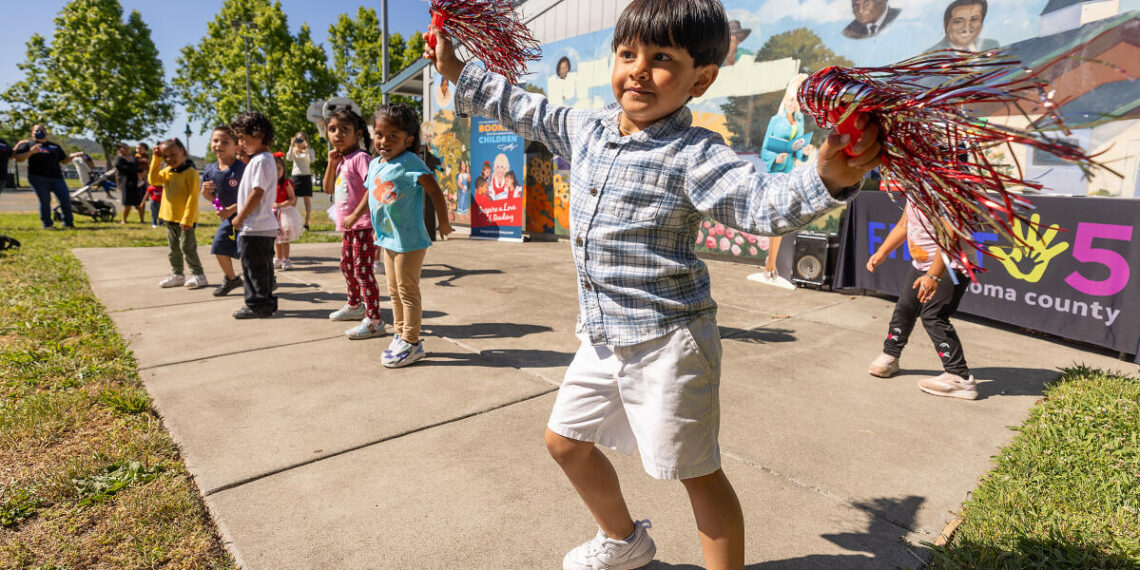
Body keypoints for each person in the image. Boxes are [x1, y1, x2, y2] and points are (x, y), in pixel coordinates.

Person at [426, 0, 882, 567]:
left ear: (703, 78)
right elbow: (526, 109)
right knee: (565, 443)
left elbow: (760, 201)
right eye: (627, 53)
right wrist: (456, 71)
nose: (638, 69)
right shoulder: (587, 128)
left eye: (661, 57)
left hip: (670, 343)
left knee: (696, 474)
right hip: (602, 336)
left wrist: (824, 177)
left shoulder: (696, 154)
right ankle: (625, 540)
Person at [341, 104, 453, 367]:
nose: (384, 141)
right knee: (393, 290)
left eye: (393, 136)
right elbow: (369, 191)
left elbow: (435, 191)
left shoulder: (410, 162)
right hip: (387, 238)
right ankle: (399, 333)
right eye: (380, 135)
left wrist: (444, 223)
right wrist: (356, 215)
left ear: (408, 140)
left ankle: (413, 342)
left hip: (410, 240)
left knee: (407, 290)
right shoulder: (377, 163)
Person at [866, 202, 977, 400]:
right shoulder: (915, 190)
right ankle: (891, 356)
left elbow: (949, 234)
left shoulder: (942, 190)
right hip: (922, 265)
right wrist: (882, 251)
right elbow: (904, 224)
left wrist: (934, 276)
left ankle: (959, 378)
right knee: (905, 308)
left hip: (951, 265)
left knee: (933, 316)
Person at [323, 107, 385, 339]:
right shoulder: (340, 160)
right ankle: (355, 305)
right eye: (332, 129)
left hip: (364, 225)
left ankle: (375, 320)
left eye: (344, 129)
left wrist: (357, 215)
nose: (337, 134)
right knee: (346, 266)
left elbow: (373, 188)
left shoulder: (361, 158)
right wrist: (331, 163)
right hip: (350, 227)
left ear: (358, 133)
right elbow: (328, 188)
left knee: (362, 270)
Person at [230, 112, 279, 319]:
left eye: (242, 138)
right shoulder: (263, 159)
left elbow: (257, 192)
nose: (240, 143)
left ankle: (258, 304)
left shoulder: (260, 161)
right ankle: (265, 300)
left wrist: (240, 216)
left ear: (258, 134)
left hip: (255, 226)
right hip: (263, 226)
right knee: (262, 267)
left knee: (253, 269)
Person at [148, 139, 207, 290]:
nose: (169, 159)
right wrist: (156, 159)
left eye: (173, 155)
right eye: (165, 156)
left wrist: (187, 219)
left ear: (184, 153)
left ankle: (199, 275)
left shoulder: (191, 173)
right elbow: (153, 180)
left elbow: (192, 198)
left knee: (187, 247)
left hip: (185, 220)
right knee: (173, 248)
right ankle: (178, 275)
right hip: (169, 218)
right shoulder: (167, 172)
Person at [201, 126, 246, 297]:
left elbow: (251, 195)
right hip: (229, 220)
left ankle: (265, 278)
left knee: (247, 251)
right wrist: (213, 201)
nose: (218, 145)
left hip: (247, 217)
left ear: (236, 146)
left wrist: (232, 209)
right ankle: (232, 279)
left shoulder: (241, 169)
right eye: (215, 140)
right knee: (219, 247)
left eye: (225, 142)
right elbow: (211, 196)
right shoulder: (210, 170)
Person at [14, 124, 75, 229]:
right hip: (37, 178)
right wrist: (31, 152)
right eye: (36, 131)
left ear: (46, 133)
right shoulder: (28, 144)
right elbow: (19, 158)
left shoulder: (55, 146)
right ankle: (47, 224)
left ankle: (68, 223)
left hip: (57, 178)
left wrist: (72, 157)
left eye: (41, 130)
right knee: (45, 200)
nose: (39, 132)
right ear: (32, 133)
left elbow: (63, 161)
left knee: (65, 199)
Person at [927, 0, 998, 53]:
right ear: (946, 25)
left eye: (974, 19)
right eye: (958, 21)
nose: (966, 28)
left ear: (981, 23)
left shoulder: (992, 45)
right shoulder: (931, 56)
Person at [272, 154, 299, 270]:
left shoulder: (286, 183)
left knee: (285, 238)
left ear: (283, 169)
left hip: (285, 213)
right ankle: (278, 258)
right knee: (276, 238)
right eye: (274, 168)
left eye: (279, 168)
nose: (277, 171)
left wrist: (282, 205)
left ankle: (286, 259)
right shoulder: (269, 183)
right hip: (273, 213)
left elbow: (292, 199)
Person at [286, 131, 315, 231]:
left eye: (302, 139)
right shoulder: (293, 150)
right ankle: (292, 224)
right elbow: (288, 158)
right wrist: (291, 145)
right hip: (296, 176)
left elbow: (312, 159)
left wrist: (307, 148)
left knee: (307, 201)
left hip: (306, 176)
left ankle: (306, 224)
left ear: (306, 140)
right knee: (293, 201)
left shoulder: (309, 150)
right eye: (298, 138)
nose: (300, 141)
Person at [113, 143, 144, 223]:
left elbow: (139, 168)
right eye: (125, 148)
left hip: (135, 182)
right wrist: (134, 169)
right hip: (126, 183)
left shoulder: (133, 158)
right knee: (127, 203)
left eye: (128, 148)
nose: (127, 150)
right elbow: (125, 169)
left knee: (138, 202)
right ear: (120, 149)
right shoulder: (118, 159)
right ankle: (123, 220)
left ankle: (142, 219)